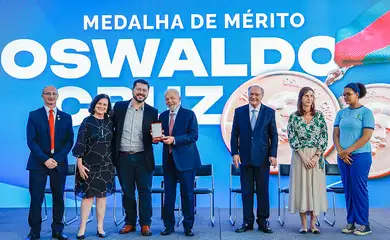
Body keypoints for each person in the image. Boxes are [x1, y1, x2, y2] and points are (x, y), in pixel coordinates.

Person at [25, 86, 74, 240]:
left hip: (58, 164)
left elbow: (69, 141)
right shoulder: (34, 115)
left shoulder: (66, 117)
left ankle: (57, 230)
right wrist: (45, 159)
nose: (51, 96)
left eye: (54, 94)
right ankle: (34, 232)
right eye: (48, 94)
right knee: (36, 198)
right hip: (38, 163)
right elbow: (31, 141)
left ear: (58, 96)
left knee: (59, 198)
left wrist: (56, 159)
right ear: (42, 96)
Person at [111, 79, 158, 236]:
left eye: (144, 90)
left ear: (147, 93)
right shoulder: (119, 107)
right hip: (123, 157)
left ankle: (145, 224)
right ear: (133, 90)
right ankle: (130, 222)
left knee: (145, 191)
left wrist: (156, 138)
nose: (141, 93)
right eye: (138, 89)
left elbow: (155, 135)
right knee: (128, 192)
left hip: (143, 157)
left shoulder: (152, 111)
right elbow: (111, 130)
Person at [153, 89, 201, 237]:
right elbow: (158, 135)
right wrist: (155, 139)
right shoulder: (162, 115)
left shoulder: (189, 114)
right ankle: (168, 226)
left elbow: (194, 136)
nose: (169, 101)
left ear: (179, 99)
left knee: (187, 195)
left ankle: (188, 227)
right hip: (168, 162)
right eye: (167, 99)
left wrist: (174, 140)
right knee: (169, 196)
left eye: (172, 98)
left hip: (186, 162)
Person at [230, 85, 278, 234]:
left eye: (257, 94)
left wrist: (273, 154)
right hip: (245, 158)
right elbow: (234, 133)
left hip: (263, 159)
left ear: (262, 96)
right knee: (247, 192)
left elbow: (274, 135)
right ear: (248, 95)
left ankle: (263, 221)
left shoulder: (269, 112)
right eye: (251, 94)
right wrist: (235, 153)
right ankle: (247, 222)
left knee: (263, 191)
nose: (254, 97)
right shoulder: (239, 112)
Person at [333, 82, 375, 236]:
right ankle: (351, 222)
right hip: (343, 157)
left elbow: (366, 137)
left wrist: (347, 151)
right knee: (348, 190)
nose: (345, 97)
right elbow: (335, 134)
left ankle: (364, 224)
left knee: (359, 189)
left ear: (357, 94)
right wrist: (340, 151)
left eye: (348, 94)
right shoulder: (341, 113)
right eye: (344, 94)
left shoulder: (366, 113)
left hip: (360, 156)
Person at [72, 94, 115, 239]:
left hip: (106, 165)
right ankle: (82, 228)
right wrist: (79, 164)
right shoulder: (87, 122)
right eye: (100, 103)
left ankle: (100, 228)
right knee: (88, 197)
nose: (102, 106)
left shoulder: (110, 123)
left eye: (105, 104)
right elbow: (80, 143)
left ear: (108, 107)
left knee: (102, 198)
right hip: (88, 165)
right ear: (94, 104)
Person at [287, 87, 328, 234]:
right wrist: (304, 157)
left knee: (315, 188)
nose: (309, 98)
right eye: (306, 96)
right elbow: (292, 137)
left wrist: (316, 156)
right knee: (302, 188)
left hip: (316, 157)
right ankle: (303, 224)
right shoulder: (293, 117)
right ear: (301, 98)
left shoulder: (320, 116)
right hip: (300, 156)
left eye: (311, 96)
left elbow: (324, 136)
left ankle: (313, 224)